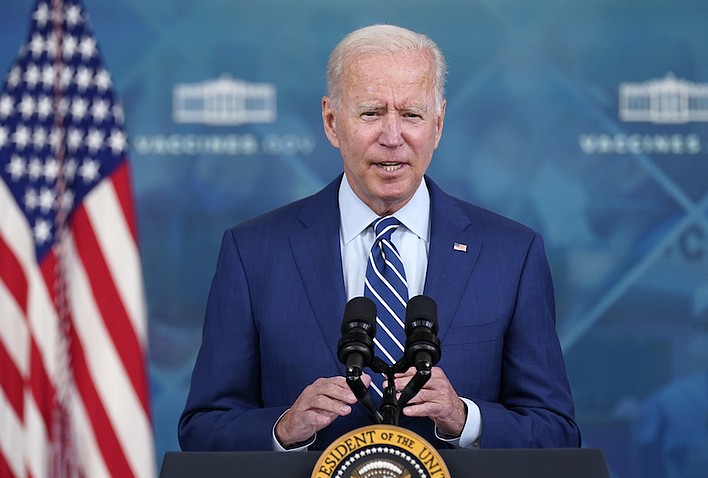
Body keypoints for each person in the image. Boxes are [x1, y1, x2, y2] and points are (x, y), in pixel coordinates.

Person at [178, 24, 580, 451]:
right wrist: (282, 429)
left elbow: (556, 433)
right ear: (332, 122)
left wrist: (464, 419)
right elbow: (203, 429)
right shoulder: (253, 253)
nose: (393, 138)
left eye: (411, 115)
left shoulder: (511, 255)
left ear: (438, 123)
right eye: (371, 113)